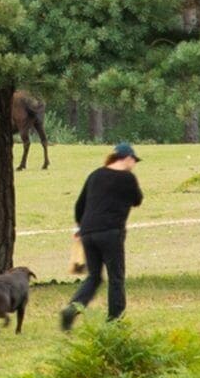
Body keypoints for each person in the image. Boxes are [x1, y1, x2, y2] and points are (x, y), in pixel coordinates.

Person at [60, 140, 141, 328]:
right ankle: (115, 321)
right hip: (111, 232)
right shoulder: (127, 178)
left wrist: (80, 228)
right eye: (134, 160)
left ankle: (72, 309)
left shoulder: (95, 175)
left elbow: (80, 205)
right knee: (116, 277)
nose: (134, 164)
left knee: (94, 277)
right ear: (127, 158)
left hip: (88, 232)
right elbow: (137, 199)